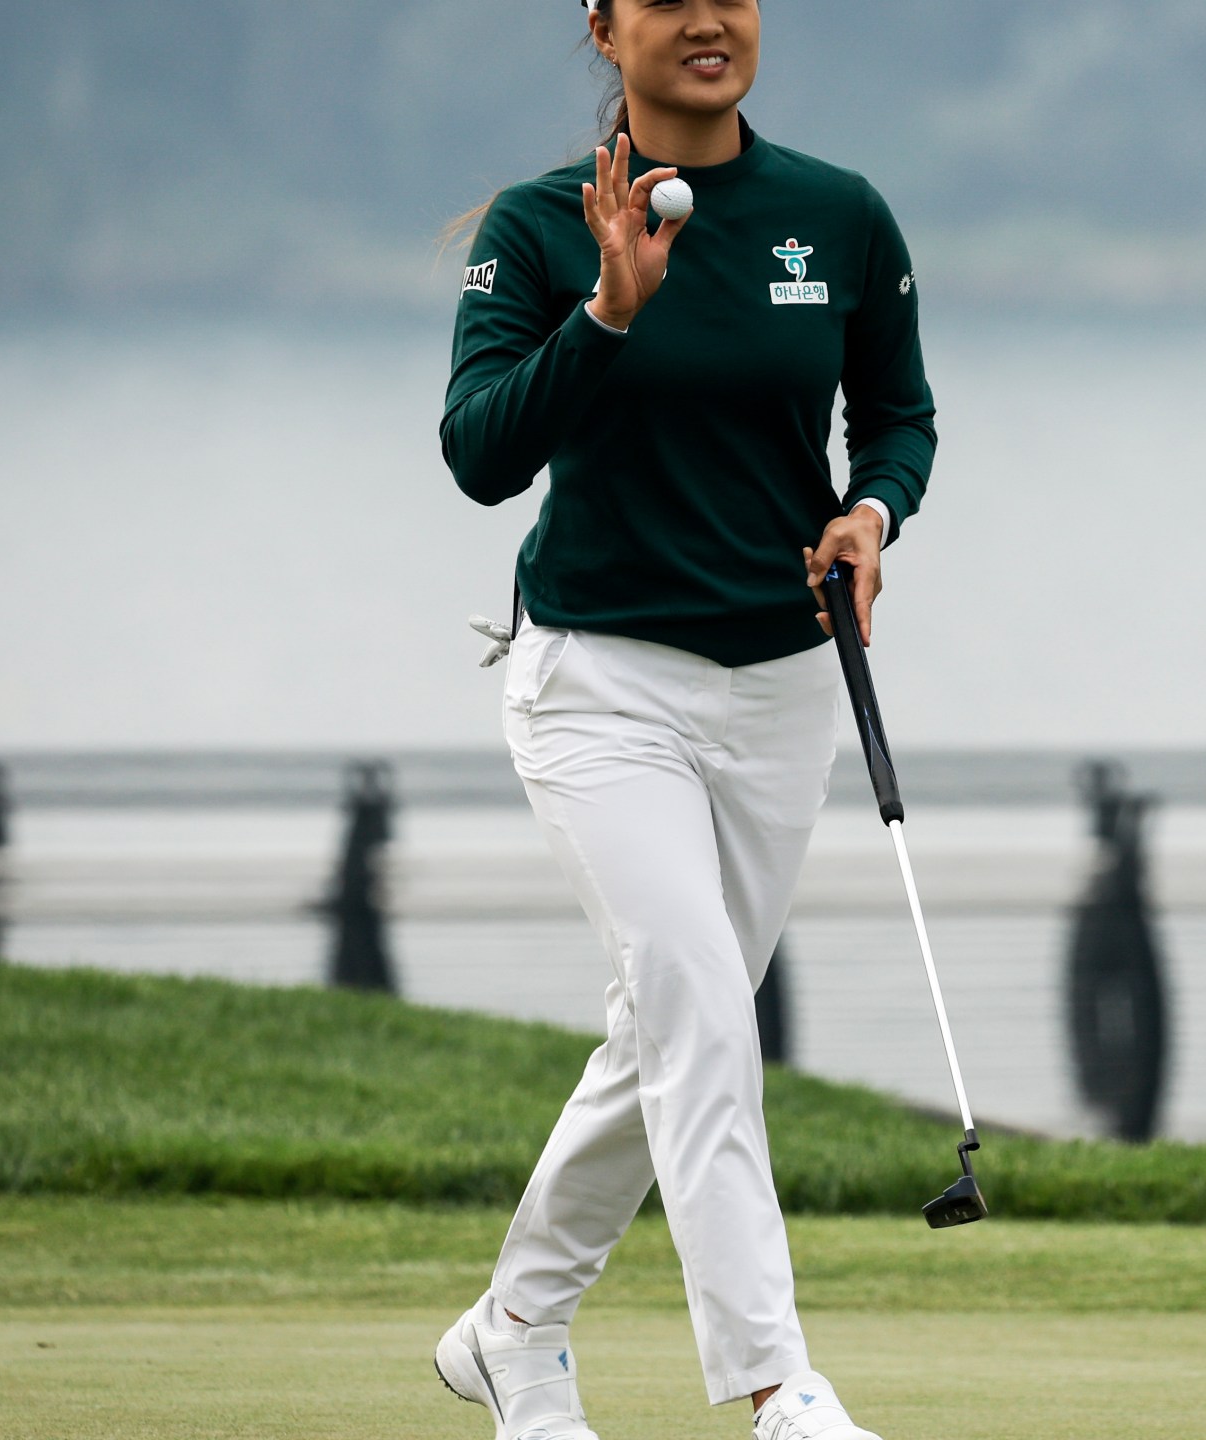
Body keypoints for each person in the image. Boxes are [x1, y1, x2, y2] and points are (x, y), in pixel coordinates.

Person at [431, 2, 933, 1437]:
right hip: (599, 680)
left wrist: (872, 511)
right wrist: (607, 312)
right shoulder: (539, 231)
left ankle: (516, 1329)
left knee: (670, 1025)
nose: (710, 17)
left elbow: (900, 414)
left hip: (784, 688)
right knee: (703, 1006)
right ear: (604, 23)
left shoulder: (838, 217)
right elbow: (478, 453)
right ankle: (778, 1388)